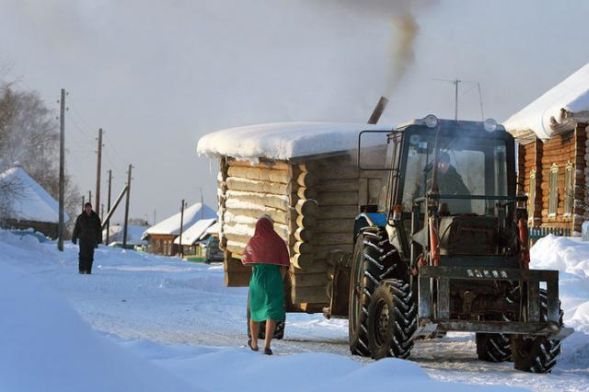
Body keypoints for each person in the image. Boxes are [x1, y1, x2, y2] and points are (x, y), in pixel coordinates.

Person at [242, 215, 289, 355]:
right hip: (274, 279)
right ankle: (267, 345)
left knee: (255, 313)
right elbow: (285, 265)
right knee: (271, 313)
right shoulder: (279, 242)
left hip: (257, 279)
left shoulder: (252, 242)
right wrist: (279, 279)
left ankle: (255, 343)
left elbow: (245, 260)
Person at [72, 202, 102, 274]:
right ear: (84, 209)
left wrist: (99, 240)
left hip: (92, 240)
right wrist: (74, 237)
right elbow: (77, 228)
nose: (88, 209)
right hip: (83, 239)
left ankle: (88, 270)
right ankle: (81, 269)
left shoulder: (95, 217)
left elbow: (99, 229)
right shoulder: (80, 217)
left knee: (90, 255)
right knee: (82, 254)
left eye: (89, 207)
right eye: (87, 208)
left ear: (91, 208)